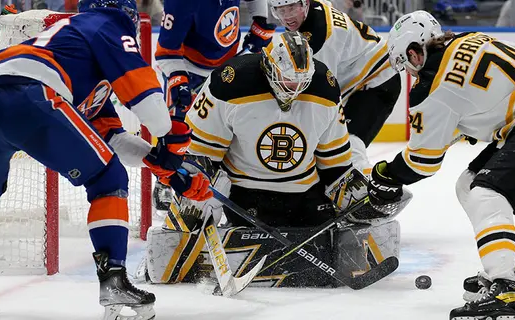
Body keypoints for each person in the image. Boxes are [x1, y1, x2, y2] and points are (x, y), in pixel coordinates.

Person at [0, 1, 211, 319]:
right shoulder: (109, 25)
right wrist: (171, 142)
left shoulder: (74, 44)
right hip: (31, 96)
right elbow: (151, 107)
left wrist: (163, 166)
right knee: (108, 180)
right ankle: (113, 281)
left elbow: (112, 140)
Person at [137, 31, 403, 288]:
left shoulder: (325, 87)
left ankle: (363, 253)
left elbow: (336, 164)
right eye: (288, 81)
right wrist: (192, 181)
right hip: (244, 197)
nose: (295, 89)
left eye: (302, 82)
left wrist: (364, 199)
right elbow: (202, 153)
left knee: (359, 194)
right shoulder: (230, 82)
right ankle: (170, 258)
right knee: (198, 181)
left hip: (304, 195)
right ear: (270, 67)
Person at [369, 10, 515, 320]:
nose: (411, 73)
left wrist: (388, 174)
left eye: (408, 64)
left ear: (415, 51)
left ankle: (505, 287)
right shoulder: (470, 39)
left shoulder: (431, 87)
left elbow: (422, 161)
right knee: (468, 183)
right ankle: (510, 266)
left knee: (486, 194)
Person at [153, 0, 276, 211]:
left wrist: (262, 21)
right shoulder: (179, 3)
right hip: (188, 69)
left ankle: (233, 183)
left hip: (228, 66)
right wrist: (178, 78)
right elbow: (166, 51)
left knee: (231, 129)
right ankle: (165, 181)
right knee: (177, 129)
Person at [267, 0, 401, 192]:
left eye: (291, 8)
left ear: (304, 4)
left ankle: (372, 201)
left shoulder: (319, 40)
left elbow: (323, 95)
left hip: (378, 81)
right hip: (364, 78)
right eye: (280, 10)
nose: (287, 16)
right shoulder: (314, 10)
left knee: (347, 145)